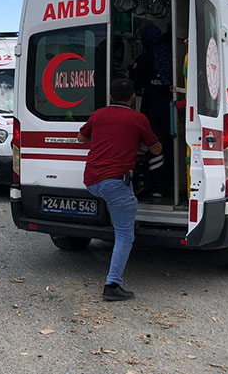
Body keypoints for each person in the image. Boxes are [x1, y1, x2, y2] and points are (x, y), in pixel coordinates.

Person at [77, 78, 162, 302]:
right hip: (114, 182)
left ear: (111, 96)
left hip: (91, 180)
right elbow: (156, 149)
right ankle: (112, 284)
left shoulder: (99, 115)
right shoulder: (138, 118)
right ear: (133, 97)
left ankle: (122, 218)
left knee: (120, 212)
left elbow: (81, 137)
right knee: (124, 235)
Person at [129, 25, 172, 198]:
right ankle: (167, 183)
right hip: (172, 107)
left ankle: (157, 186)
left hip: (152, 108)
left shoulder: (144, 58)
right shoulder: (171, 55)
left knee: (153, 145)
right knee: (169, 145)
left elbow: (135, 84)